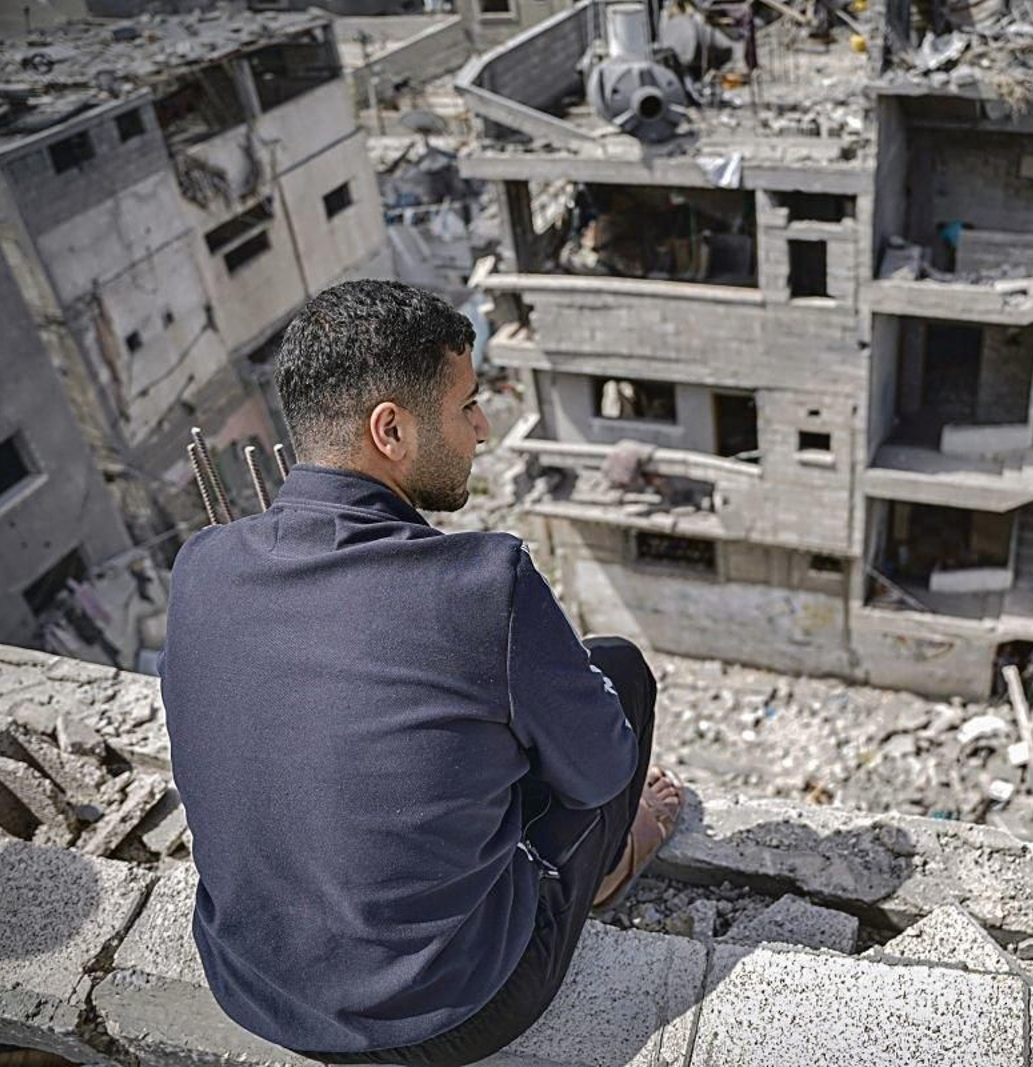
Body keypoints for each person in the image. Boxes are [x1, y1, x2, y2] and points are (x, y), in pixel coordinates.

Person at [159, 280, 683, 1066]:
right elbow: (603, 769)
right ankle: (607, 871)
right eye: (467, 404)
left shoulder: (201, 564)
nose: (483, 427)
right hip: (453, 1012)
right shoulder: (483, 582)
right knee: (617, 673)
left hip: (255, 985)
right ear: (390, 430)